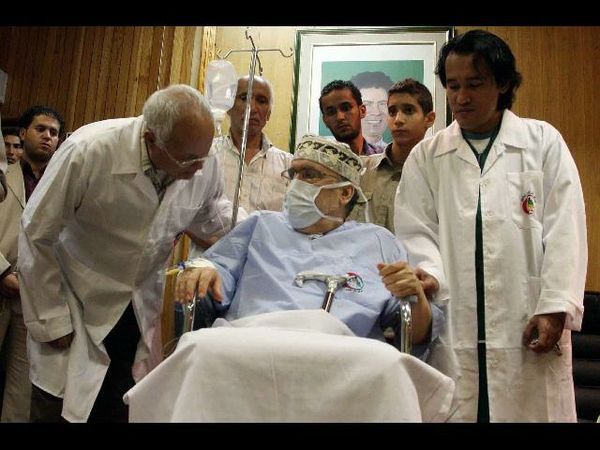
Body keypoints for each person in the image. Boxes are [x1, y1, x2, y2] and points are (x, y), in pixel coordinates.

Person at [395, 29, 587, 422]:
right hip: (455, 330)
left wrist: (555, 306)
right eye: (453, 86)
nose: (461, 97)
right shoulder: (427, 157)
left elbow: (566, 230)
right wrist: (430, 274)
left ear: (502, 84)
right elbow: (416, 231)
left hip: (527, 325)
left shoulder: (542, 143)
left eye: (474, 84)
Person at [17, 84, 235, 423]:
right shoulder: (89, 150)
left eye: (203, 157)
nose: (197, 168)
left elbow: (215, 218)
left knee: (118, 405)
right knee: (58, 407)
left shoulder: (201, 161)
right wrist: (51, 319)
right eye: (187, 159)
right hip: (75, 301)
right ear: (151, 139)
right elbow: (36, 232)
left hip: (135, 309)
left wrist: (264, 229)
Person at [175, 134, 445, 356]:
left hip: (344, 359)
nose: (296, 184)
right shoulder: (261, 225)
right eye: (293, 174)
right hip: (249, 345)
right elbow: (219, 270)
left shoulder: (378, 242)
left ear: (345, 193)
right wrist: (205, 269)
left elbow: (411, 329)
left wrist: (415, 296)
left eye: (309, 175)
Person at [0, 105, 64, 422]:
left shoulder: (61, 185)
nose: (48, 137)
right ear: (24, 133)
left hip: (34, 298)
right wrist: (1, 272)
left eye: (54, 132)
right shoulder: (3, 177)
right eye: (41, 129)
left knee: (22, 389)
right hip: (1, 282)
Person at [187, 75, 292, 252]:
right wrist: (225, 250)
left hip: (266, 262)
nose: (252, 107)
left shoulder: (289, 166)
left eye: (261, 101)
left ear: (268, 114)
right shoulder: (205, 154)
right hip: (208, 260)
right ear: (228, 106)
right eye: (244, 98)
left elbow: (291, 224)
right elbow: (185, 212)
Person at [350, 78, 435, 233]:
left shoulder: (437, 177)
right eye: (392, 112)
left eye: (408, 110)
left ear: (429, 119)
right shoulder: (359, 170)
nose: (398, 120)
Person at [319, 80, 383, 156]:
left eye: (346, 108)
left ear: (362, 111)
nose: (340, 117)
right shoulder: (317, 160)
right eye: (331, 112)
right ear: (325, 121)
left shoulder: (384, 158)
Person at [350, 71, 394, 153]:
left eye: (382, 104)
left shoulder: (396, 154)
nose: (376, 112)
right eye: (367, 104)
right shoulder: (333, 151)